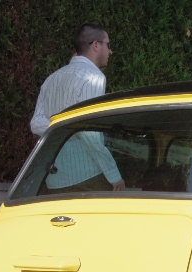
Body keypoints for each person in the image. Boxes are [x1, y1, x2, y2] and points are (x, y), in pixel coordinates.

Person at [30, 23, 125, 192]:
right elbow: (89, 133)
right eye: (108, 45)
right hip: (87, 178)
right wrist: (113, 174)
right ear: (96, 45)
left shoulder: (52, 78)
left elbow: (36, 124)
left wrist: (63, 128)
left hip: (54, 180)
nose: (110, 51)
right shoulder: (94, 78)